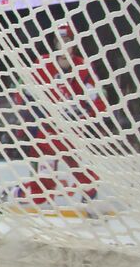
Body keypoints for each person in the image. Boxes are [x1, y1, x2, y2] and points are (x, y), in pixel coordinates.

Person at [12, 24, 107, 208]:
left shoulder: (83, 67)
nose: (64, 45)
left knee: (82, 174)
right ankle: (11, 194)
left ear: (74, 44)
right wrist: (30, 120)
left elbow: (97, 100)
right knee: (43, 193)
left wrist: (80, 116)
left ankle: (92, 204)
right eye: (60, 41)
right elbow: (21, 93)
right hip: (45, 136)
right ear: (55, 44)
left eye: (68, 41)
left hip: (70, 134)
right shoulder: (42, 63)